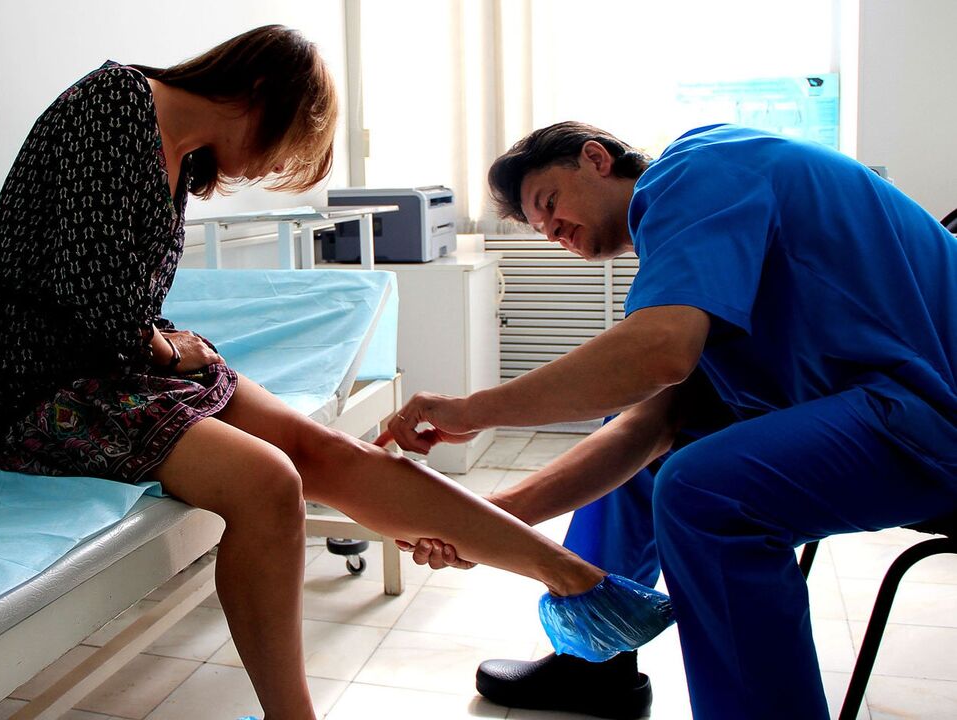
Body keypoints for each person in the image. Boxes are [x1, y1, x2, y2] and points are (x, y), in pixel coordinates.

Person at [0, 34, 670, 720]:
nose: (268, 171)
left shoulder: (171, 149)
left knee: (332, 451)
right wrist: (180, 353)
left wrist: (177, 349)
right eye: (286, 150)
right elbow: (96, 305)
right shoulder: (115, 104)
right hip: (39, 387)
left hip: (118, 369)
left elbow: (120, 308)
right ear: (261, 95)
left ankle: (582, 583)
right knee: (271, 481)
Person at [382, 121, 957, 720]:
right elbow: (645, 429)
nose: (553, 231)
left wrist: (471, 410)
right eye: (542, 229)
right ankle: (595, 666)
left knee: (706, 493)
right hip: (893, 406)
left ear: (596, 159)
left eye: (549, 204)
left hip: (935, 410)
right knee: (643, 430)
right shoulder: (702, 242)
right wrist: (490, 521)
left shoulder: (697, 167)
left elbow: (658, 352)